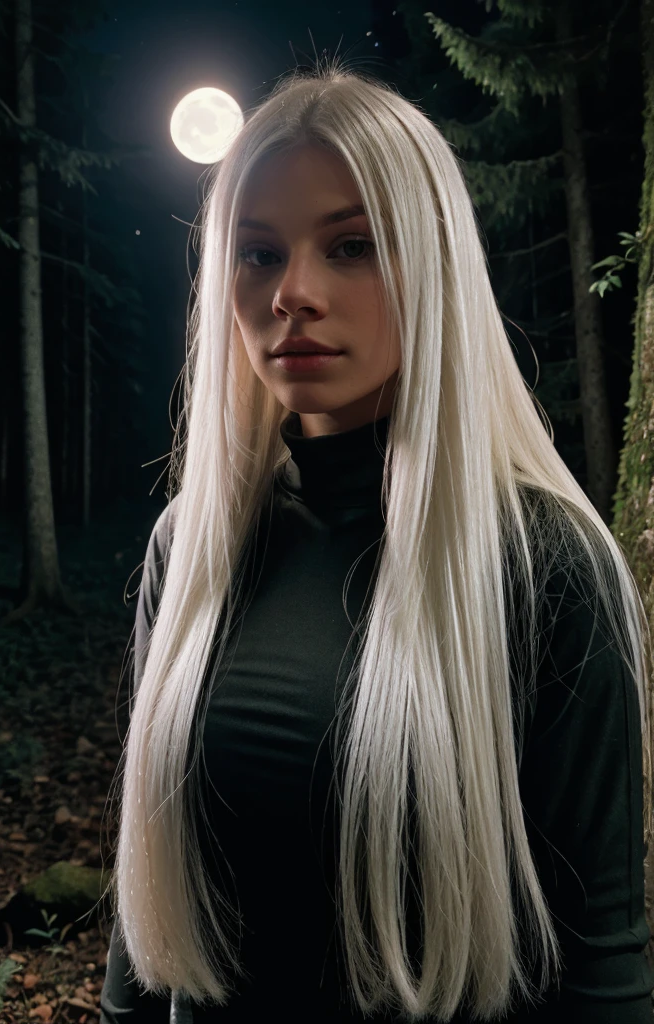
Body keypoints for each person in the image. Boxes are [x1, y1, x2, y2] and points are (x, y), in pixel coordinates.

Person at [99, 58, 654, 1023]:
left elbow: (600, 963)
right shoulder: (190, 545)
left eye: (351, 246)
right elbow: (146, 927)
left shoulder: (547, 564)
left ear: (434, 261)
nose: (293, 295)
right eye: (260, 253)